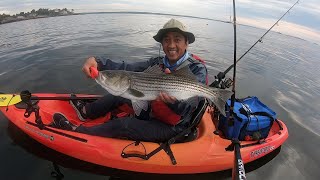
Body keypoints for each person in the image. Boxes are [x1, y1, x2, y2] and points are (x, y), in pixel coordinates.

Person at [53, 18, 208, 142]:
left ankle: (78, 132)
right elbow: (128, 67)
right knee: (122, 91)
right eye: (166, 40)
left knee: (124, 125)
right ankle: (87, 111)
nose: (171, 45)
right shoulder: (157, 63)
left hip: (174, 126)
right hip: (154, 110)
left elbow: (189, 108)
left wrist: (172, 102)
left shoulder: (197, 69)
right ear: (162, 43)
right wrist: (98, 61)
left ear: (186, 43)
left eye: (177, 39)